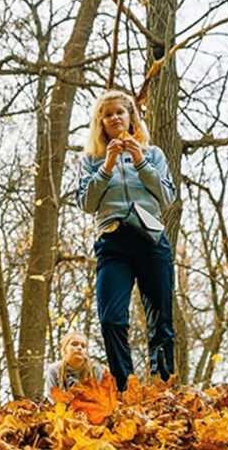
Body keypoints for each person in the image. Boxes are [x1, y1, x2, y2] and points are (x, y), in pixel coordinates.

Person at [76, 90, 177, 392]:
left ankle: (163, 387)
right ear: (101, 123)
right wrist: (106, 167)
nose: (114, 118)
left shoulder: (153, 154)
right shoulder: (91, 160)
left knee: (161, 320)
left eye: (120, 112)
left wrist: (140, 162)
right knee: (111, 319)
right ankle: (126, 388)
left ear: (131, 117)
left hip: (151, 240)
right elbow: (86, 202)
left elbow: (168, 196)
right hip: (113, 243)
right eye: (107, 115)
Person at [44, 331, 104, 398]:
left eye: (83, 346)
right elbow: (51, 397)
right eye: (74, 344)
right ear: (64, 349)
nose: (79, 348)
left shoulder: (95, 370)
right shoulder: (54, 369)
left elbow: (102, 396)